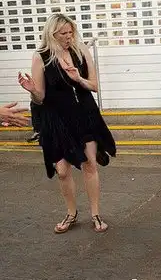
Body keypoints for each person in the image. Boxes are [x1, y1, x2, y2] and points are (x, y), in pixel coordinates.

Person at [18, 13, 116, 234]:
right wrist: (32, 90)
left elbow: (94, 86)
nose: (68, 37)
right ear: (51, 34)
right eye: (63, 33)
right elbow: (40, 98)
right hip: (57, 120)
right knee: (62, 170)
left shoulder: (81, 52)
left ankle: (95, 214)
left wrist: (78, 79)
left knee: (89, 164)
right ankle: (71, 213)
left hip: (84, 114)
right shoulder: (41, 57)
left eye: (71, 32)